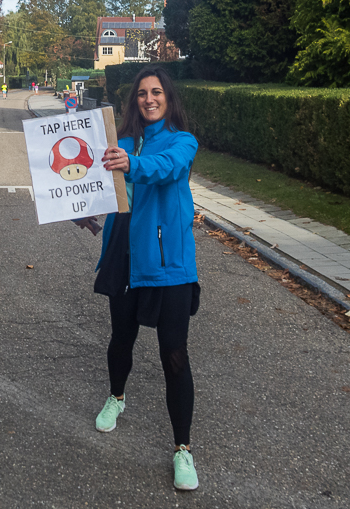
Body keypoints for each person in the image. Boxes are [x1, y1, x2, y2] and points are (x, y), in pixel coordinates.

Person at [74, 66, 200, 492]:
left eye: (157, 92)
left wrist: (133, 163)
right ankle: (117, 396)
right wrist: (82, 207)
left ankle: (182, 448)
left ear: (168, 98)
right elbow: (95, 181)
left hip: (169, 266)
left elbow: (165, 168)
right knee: (120, 339)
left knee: (174, 355)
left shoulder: (183, 142)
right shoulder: (119, 141)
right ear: (134, 100)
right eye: (143, 93)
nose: (149, 99)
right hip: (123, 256)